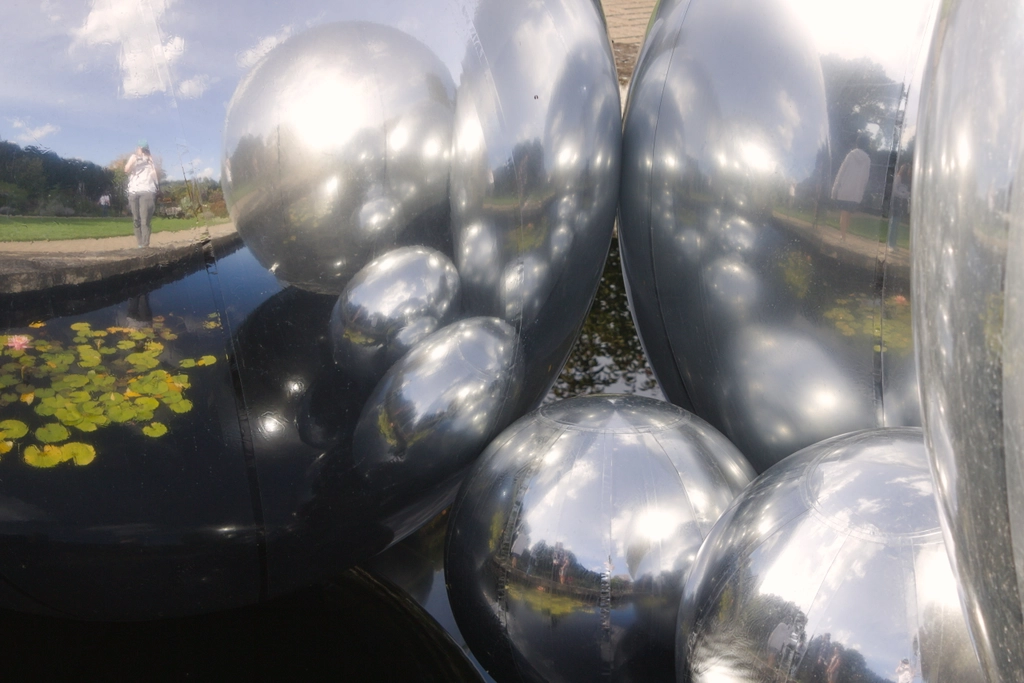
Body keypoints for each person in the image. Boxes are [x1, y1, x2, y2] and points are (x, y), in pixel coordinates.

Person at [831, 134, 871, 240]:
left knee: (844, 213)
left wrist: (835, 188)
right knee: (848, 214)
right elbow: (865, 179)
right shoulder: (867, 160)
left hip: (845, 189)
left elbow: (841, 172)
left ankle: (842, 236)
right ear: (866, 145)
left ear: (857, 143)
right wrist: (861, 192)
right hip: (856, 192)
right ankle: (843, 234)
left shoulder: (850, 155)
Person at [124, 140, 158, 248]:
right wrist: (134, 160)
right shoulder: (133, 157)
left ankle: (145, 244)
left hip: (147, 191)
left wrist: (156, 187)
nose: (138, 150)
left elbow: (154, 174)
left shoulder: (151, 159)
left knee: (145, 220)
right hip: (133, 191)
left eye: (140, 148)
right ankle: (140, 244)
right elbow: (126, 170)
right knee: (136, 219)